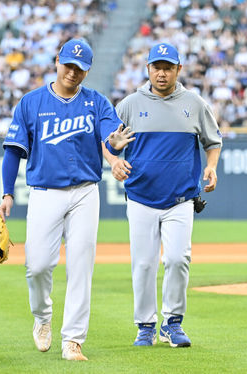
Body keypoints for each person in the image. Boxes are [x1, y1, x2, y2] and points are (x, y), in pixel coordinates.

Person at [0, 39, 132, 361]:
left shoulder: (96, 102)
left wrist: (113, 150)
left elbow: (110, 137)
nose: (73, 72)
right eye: (69, 65)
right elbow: (13, 151)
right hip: (45, 192)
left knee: (81, 266)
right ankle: (42, 316)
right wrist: (6, 193)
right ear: (57, 60)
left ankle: (72, 339)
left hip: (85, 191)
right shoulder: (31, 102)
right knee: (38, 266)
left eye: (80, 68)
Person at [103, 42, 222, 348]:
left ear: (178, 70)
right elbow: (107, 142)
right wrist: (115, 158)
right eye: (157, 67)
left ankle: (172, 323)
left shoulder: (194, 103)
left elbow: (213, 140)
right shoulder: (129, 104)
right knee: (143, 264)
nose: (162, 73)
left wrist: (211, 166)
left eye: (168, 67)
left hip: (181, 198)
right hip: (141, 196)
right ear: (148, 70)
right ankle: (145, 325)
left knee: (178, 259)